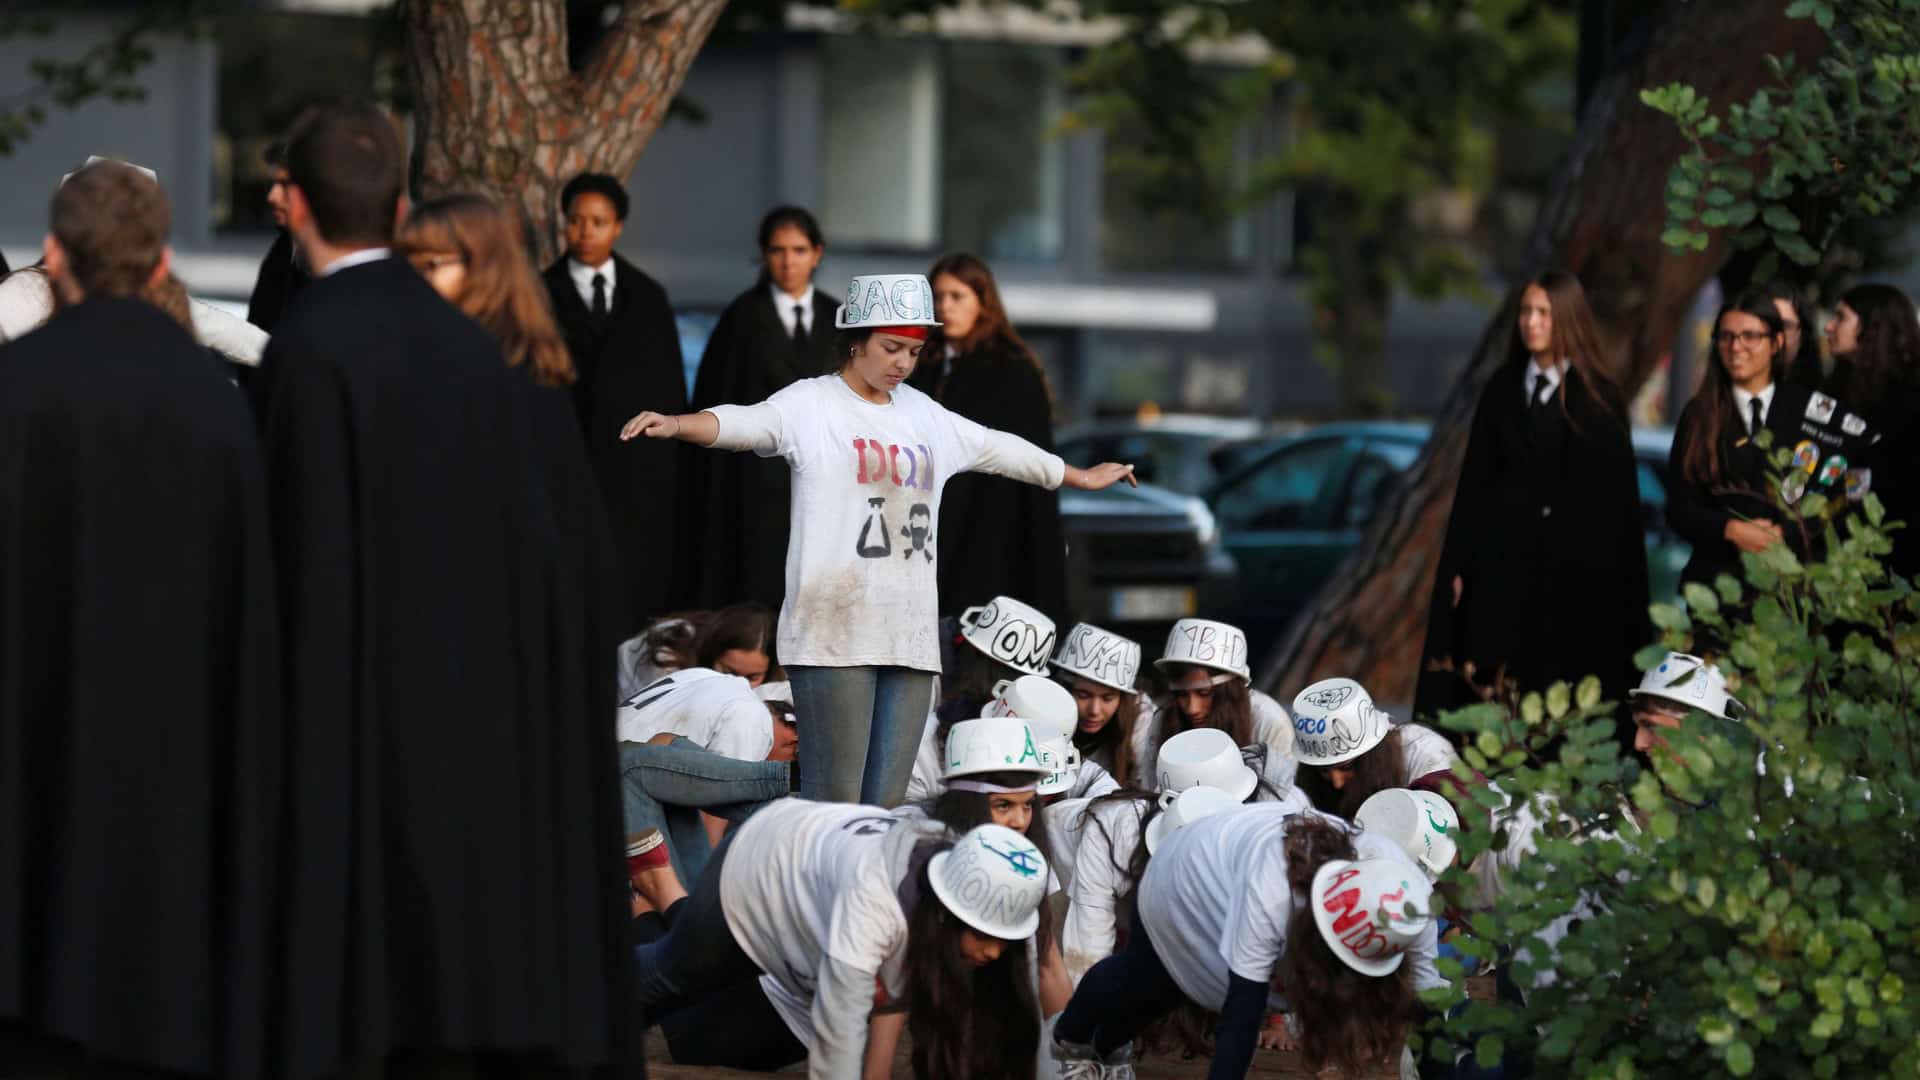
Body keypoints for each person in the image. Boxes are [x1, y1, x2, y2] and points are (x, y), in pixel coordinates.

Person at [250, 102, 632, 1077]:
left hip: (381, 727)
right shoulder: (487, 366)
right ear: (397, 208)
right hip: (494, 734)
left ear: (292, 203)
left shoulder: (318, 346)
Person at [620, 272, 1136, 806]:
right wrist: (678, 424)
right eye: (891, 348)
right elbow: (748, 424)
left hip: (910, 634)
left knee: (885, 807)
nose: (903, 363)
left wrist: (1079, 476)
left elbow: (999, 448)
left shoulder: (924, 414)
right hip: (832, 632)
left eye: (914, 351)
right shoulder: (813, 403)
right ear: (856, 341)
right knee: (834, 802)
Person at [0, 160, 282, 1078]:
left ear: (54, 250)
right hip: (166, 738)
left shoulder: (18, 382)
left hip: (31, 721)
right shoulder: (210, 403)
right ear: (160, 259)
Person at [634, 802, 1048, 1079]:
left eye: (1004, 939)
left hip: (814, 904)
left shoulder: (989, 882)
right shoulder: (875, 904)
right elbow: (840, 1035)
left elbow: (900, 995)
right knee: (672, 977)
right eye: (983, 934)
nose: (994, 951)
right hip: (758, 869)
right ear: (946, 912)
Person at [1418, 270, 1650, 746]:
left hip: (1569, 588)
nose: (1532, 322)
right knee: (1493, 703)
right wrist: (1459, 566)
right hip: (1499, 579)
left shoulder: (1598, 398)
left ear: (1566, 318)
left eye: (1544, 312)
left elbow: (1616, 512)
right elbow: (1474, 486)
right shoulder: (1501, 390)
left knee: (1557, 705)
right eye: (1526, 311)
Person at [1052, 804, 1440, 1080]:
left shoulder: (1412, 903)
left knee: (1165, 993)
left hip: (1245, 867)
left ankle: (1107, 1046)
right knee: (1154, 979)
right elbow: (1242, 1014)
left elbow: (1431, 1007)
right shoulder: (1271, 891)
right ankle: (1068, 1038)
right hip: (1186, 874)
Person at [543, 171, 688, 630]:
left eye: (598, 222)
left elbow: (669, 393)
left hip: (635, 478)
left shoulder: (647, 298)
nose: (586, 232)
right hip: (563, 469)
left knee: (633, 599)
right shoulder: (537, 295)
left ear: (618, 226)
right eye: (576, 221)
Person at [686, 206, 843, 610]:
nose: (789, 261)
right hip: (754, 485)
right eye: (778, 250)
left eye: (799, 250)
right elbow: (716, 397)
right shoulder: (741, 317)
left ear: (817, 253)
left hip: (825, 480)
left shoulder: (839, 318)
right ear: (764, 255)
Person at [912, 253, 1067, 618]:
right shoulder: (918, 361)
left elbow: (1029, 465)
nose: (945, 306)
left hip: (990, 527)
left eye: (957, 296)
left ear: (983, 302)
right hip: (924, 525)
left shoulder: (1012, 369)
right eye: (938, 296)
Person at [1666, 291, 1815, 597]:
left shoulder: (1807, 411)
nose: (1736, 347)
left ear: (1776, 343)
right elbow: (1679, 507)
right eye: (1727, 337)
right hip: (1715, 588)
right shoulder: (1700, 414)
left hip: (1792, 593)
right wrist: (1730, 529)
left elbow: (1830, 495)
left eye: (1750, 336)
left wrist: (1784, 534)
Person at [617, 667, 797, 915]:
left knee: (670, 748)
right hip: (621, 787)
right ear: (792, 740)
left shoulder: (708, 678)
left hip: (623, 778)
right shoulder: (755, 725)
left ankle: (791, 807)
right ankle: (791, 791)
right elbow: (711, 827)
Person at [1821, 283, 1920, 580]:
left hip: (1896, 568)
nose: (1828, 327)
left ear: (1872, 326)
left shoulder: (1910, 401)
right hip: (1836, 561)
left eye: (1841, 317)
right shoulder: (1835, 392)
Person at [1131, 618, 1296, 791]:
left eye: (1204, 693)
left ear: (1230, 690)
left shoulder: (1268, 722)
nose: (1192, 708)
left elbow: (1277, 799)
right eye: (1182, 695)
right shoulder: (1164, 722)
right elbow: (1151, 791)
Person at [1291, 677, 1461, 820]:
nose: (1337, 783)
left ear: (1372, 751)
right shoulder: (1308, 778)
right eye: (1323, 771)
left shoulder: (1426, 756)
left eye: (1346, 766)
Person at [614, 602, 779, 701]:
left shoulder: (778, 680)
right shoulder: (668, 655)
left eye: (751, 677)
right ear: (712, 653)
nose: (739, 685)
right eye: (730, 672)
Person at [1052, 622, 1146, 787]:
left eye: (1107, 698)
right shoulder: (1043, 716)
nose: (1094, 710)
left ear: (1123, 699)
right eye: (1083, 695)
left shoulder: (1142, 722)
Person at [246, 137, 308, 333]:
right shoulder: (281, 251)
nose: (272, 196)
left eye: (285, 185)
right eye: (273, 184)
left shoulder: (333, 258)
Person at [1762, 280, 1822, 390]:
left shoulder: (1814, 397)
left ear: (1801, 335)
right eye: (1769, 322)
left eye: (1785, 326)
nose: (1777, 335)